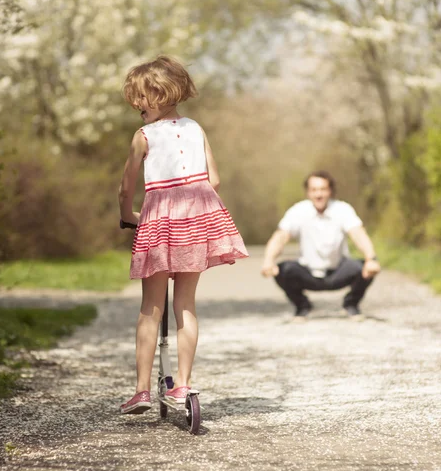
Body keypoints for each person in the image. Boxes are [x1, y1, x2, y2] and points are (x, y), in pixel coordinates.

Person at [118, 55, 248, 414]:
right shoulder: (195, 128)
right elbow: (215, 180)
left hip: (159, 223)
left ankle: (143, 389)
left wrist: (127, 215)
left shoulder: (142, 137)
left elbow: (125, 188)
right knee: (186, 305)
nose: (136, 106)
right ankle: (183, 385)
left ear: (159, 95)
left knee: (150, 308)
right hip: (197, 221)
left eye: (140, 98)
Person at [261, 171, 380, 320]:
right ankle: (302, 306)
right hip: (308, 273)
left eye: (323, 189)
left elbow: (358, 234)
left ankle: (351, 304)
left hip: (339, 272)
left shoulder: (342, 209)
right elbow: (281, 236)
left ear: (330, 191)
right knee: (282, 270)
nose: (319, 194)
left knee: (365, 268)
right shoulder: (298, 210)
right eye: (314, 190)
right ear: (308, 192)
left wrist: (371, 258)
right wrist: (268, 259)